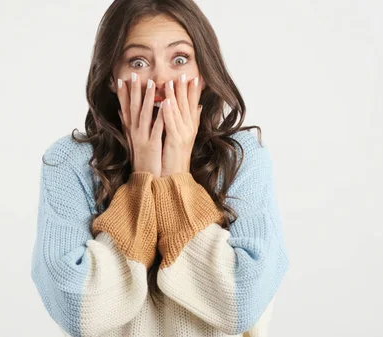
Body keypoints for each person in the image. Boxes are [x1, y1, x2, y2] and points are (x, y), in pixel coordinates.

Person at [30, 0, 290, 336]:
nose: (162, 79)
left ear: (204, 73)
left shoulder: (241, 157)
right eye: (138, 62)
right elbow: (78, 309)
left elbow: (242, 301)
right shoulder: (71, 163)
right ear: (111, 77)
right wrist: (141, 182)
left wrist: (176, 180)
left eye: (179, 59)